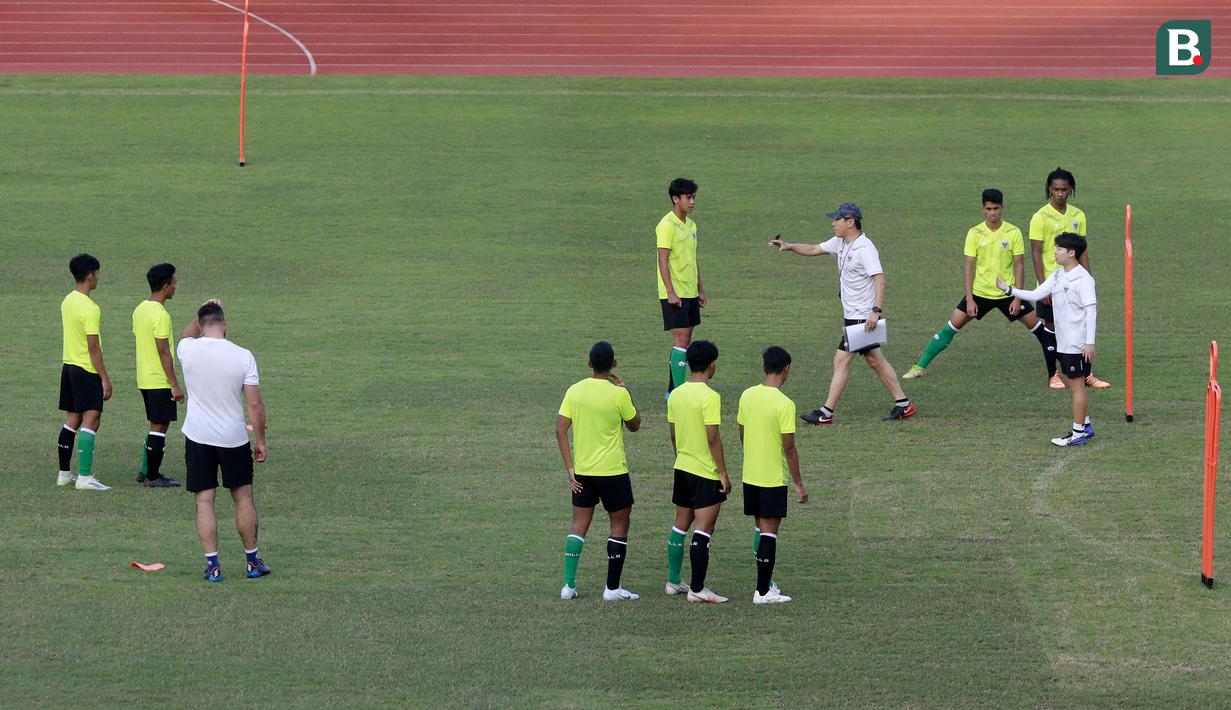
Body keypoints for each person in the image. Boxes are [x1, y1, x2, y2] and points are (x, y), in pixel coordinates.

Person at [770, 202, 916, 424]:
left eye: (837, 220)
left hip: (862, 317)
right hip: (853, 315)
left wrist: (875, 312)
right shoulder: (840, 242)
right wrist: (789, 246)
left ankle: (826, 413)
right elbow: (814, 249)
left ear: (850, 222)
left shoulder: (865, 249)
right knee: (875, 360)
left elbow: (880, 280)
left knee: (841, 361)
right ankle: (904, 404)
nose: (833, 223)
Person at [901, 189, 1058, 381]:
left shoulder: (1013, 232)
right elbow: (969, 266)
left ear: (1002, 207)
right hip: (979, 294)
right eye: (989, 209)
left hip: (1007, 294)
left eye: (996, 208)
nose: (992, 213)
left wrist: (1017, 298)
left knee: (1041, 330)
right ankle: (920, 366)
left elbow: (1019, 266)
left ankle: (1066, 368)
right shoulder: (974, 233)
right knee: (950, 328)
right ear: (983, 209)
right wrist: (969, 299)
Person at [177, 300, 270, 582]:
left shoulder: (187, 349)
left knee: (204, 501)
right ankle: (252, 562)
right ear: (225, 324)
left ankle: (213, 566)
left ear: (200, 324)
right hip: (233, 437)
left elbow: (185, 335)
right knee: (243, 497)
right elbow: (254, 404)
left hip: (198, 436)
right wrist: (261, 440)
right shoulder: (243, 356)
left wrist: (200, 309)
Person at [555, 341, 642, 601]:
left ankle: (568, 586)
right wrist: (626, 391)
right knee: (620, 524)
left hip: (583, 472)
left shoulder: (575, 391)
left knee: (578, 525)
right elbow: (635, 425)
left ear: (589, 363)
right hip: (613, 471)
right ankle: (612, 589)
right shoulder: (619, 394)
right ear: (614, 363)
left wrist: (570, 468)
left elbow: (560, 429)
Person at [998, 233, 1098, 446]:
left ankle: (1078, 433)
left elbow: (1091, 310)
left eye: (1059, 249)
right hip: (1063, 341)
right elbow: (1036, 294)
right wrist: (1008, 289)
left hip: (1077, 343)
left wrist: (1089, 342)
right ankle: (1085, 425)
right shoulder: (1058, 275)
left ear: (1071, 253)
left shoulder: (1084, 279)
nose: (1055, 252)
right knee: (1069, 380)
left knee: (1077, 385)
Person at [663, 340, 732, 604]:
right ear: (712, 364)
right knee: (704, 528)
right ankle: (697, 589)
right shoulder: (710, 397)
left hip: (682, 466)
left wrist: (680, 456)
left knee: (680, 524)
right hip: (704, 472)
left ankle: (673, 581)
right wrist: (723, 473)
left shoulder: (676, 394)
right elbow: (713, 438)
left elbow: (673, 434)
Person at [1029, 167, 1110, 390]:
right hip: (1053, 285)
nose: (1060, 193)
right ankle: (1053, 374)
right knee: (1052, 329)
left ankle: (1086, 374)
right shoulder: (1040, 217)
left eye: (1064, 190)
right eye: (1056, 189)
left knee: (1080, 329)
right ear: (1049, 189)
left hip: (1075, 285)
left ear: (1070, 190)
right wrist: (1043, 287)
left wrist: (1088, 280)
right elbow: (1036, 252)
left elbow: (1082, 251)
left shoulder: (1078, 215)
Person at [738, 346, 807, 604]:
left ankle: (766, 584)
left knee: (760, 527)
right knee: (769, 533)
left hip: (750, 474)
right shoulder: (784, 404)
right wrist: (799, 483)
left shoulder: (747, 395)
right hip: (772, 477)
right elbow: (789, 448)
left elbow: (742, 432)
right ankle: (762, 592)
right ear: (786, 369)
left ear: (764, 367)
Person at [57, 253, 113, 491]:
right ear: (90, 276)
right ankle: (85, 477)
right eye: (97, 273)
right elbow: (93, 347)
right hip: (86, 370)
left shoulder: (67, 300)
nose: (98, 277)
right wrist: (104, 378)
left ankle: (64, 474)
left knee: (72, 420)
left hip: (69, 367)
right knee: (92, 419)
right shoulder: (90, 308)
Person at [132, 263, 184, 487]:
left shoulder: (140, 309)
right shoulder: (161, 315)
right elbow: (163, 351)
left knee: (157, 425)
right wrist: (174, 384)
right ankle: (152, 477)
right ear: (165, 286)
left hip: (144, 377)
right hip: (158, 379)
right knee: (159, 428)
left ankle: (146, 471)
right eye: (174, 283)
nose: (175, 287)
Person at [657, 177, 708, 398]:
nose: (692, 201)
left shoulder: (691, 225)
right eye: (688, 197)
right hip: (674, 292)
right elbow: (662, 259)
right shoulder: (666, 225)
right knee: (681, 341)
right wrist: (670, 292)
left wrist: (700, 288)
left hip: (690, 291)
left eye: (693, 197)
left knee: (685, 341)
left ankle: (672, 390)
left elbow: (693, 258)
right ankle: (677, 394)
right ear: (675, 199)